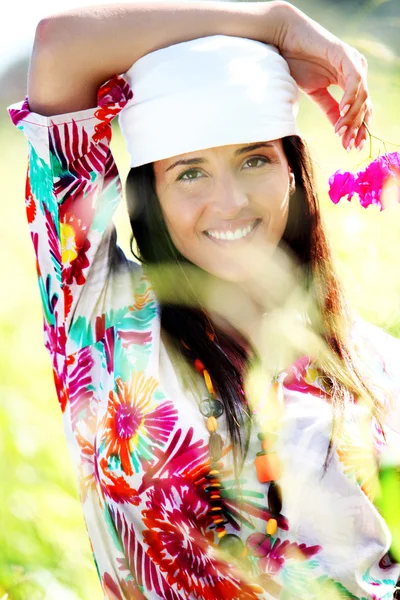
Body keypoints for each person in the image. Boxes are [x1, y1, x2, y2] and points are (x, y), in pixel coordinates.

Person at [7, 1, 400, 599]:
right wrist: (273, 24)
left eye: (254, 159)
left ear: (293, 172)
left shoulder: (374, 363)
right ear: (149, 195)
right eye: (190, 172)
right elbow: (62, 46)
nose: (231, 202)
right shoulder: (108, 326)